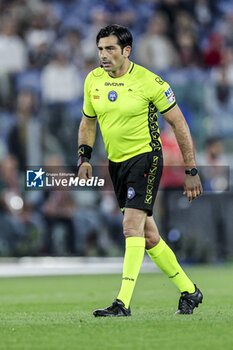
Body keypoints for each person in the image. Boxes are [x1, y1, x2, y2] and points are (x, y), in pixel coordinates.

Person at [77, 24, 203, 317]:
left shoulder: (150, 82)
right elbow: (88, 121)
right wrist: (84, 157)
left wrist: (191, 169)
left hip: (146, 158)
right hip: (117, 164)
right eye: (100, 49)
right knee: (148, 237)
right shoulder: (93, 80)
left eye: (110, 49)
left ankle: (122, 303)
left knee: (130, 228)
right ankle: (189, 291)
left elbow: (179, 124)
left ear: (126, 51)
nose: (103, 55)